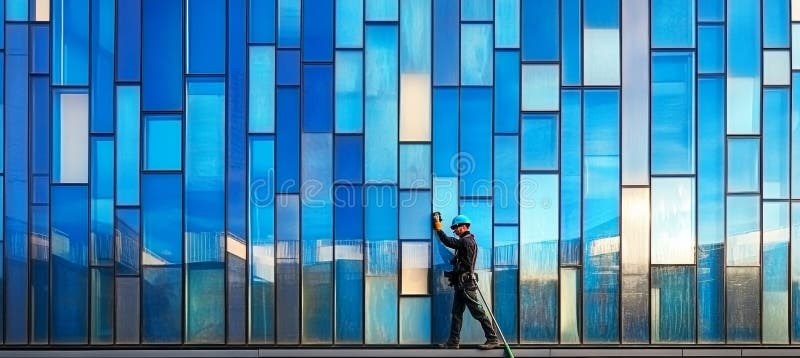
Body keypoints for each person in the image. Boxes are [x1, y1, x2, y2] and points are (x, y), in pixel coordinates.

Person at [433, 214, 499, 350]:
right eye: (454, 229)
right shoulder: (465, 241)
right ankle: (453, 342)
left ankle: (492, 338)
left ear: (463, 226)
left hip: (467, 286)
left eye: (456, 228)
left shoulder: (466, 241)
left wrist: (438, 228)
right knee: (456, 314)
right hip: (461, 285)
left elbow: (448, 241)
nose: (455, 230)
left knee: (478, 312)